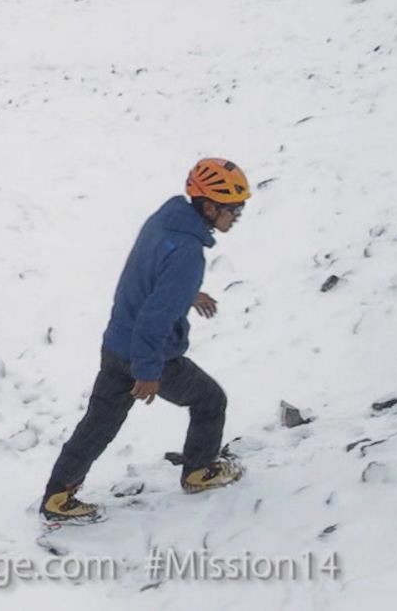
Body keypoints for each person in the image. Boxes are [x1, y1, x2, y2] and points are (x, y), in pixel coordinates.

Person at [40, 159, 250, 525]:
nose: (236, 217)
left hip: (117, 344)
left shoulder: (166, 219)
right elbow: (155, 319)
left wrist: (186, 292)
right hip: (150, 354)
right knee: (209, 400)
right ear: (210, 206)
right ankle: (199, 471)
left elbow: (150, 274)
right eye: (234, 210)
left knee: (99, 424)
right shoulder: (188, 253)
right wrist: (149, 372)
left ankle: (58, 496)